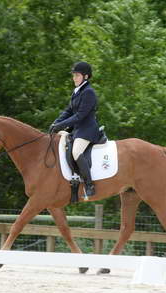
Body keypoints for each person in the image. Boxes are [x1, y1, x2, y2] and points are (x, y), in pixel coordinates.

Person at [50, 61, 102, 197]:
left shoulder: (88, 92)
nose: (74, 78)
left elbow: (79, 116)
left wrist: (61, 126)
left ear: (85, 76)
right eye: (73, 75)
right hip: (77, 130)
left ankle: (89, 184)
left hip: (87, 130)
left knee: (76, 151)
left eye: (77, 75)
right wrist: (55, 123)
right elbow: (68, 111)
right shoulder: (77, 92)